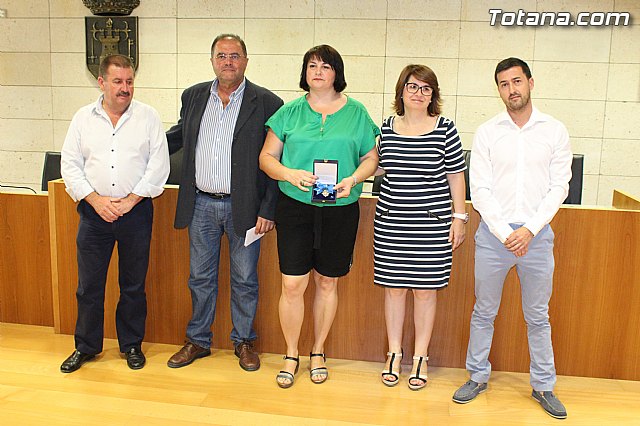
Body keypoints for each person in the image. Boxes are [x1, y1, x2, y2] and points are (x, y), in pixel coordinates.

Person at [452, 57, 572, 420]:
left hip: (537, 236)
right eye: (504, 84)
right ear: (499, 90)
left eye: (516, 81)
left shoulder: (554, 130)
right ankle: (477, 377)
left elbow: (559, 187)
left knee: (538, 316)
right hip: (494, 237)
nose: (511, 90)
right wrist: (507, 233)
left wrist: (529, 230)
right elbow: (479, 189)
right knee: (483, 311)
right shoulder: (488, 132)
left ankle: (544, 386)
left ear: (530, 83)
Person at [259, 44, 379, 388]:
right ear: (304, 72)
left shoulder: (357, 113)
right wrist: (289, 173)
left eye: (326, 66)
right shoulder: (289, 112)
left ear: (336, 73)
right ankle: (291, 353)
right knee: (292, 283)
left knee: (328, 281)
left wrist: (354, 179)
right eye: (312, 65)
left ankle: (318, 351)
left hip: (340, 209)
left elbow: (371, 159)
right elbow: (266, 158)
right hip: (296, 207)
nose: (318, 72)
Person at [165, 34, 283, 372]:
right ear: (212, 60)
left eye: (234, 55)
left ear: (246, 60)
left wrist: (268, 209)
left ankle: (243, 341)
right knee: (200, 278)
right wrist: (135, 149)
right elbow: (177, 137)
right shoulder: (193, 96)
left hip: (244, 208)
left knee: (245, 279)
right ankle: (198, 340)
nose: (228, 62)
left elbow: (277, 159)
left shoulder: (268, 102)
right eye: (221, 56)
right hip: (200, 205)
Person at [59, 54, 170, 373]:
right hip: (94, 214)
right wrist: (96, 200)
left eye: (129, 81)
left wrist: (130, 200)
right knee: (89, 286)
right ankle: (86, 347)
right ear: (102, 82)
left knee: (133, 285)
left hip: (136, 212)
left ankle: (131, 345)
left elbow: (158, 166)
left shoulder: (148, 117)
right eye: (118, 81)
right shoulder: (83, 118)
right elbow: (70, 165)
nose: (125, 88)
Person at [375, 65, 467, 391]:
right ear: (401, 91)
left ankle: (420, 357)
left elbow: (456, 176)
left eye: (426, 88)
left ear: (433, 95)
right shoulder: (386, 129)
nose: (418, 93)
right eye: (412, 86)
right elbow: (375, 168)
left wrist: (460, 217)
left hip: (431, 226)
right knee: (394, 290)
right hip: (391, 223)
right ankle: (394, 353)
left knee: (425, 292)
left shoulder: (445, 129)